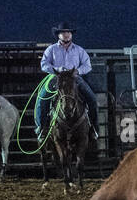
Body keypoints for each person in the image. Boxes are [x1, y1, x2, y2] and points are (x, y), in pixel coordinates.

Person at [36, 23, 99, 152]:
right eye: (63, 32)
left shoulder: (79, 50)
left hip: (75, 78)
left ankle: (93, 128)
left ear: (71, 35)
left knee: (92, 99)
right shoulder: (51, 49)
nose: (66, 34)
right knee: (42, 99)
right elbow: (44, 64)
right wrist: (56, 69)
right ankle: (42, 128)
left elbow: (88, 65)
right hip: (56, 78)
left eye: (68, 32)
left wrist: (78, 71)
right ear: (58, 35)